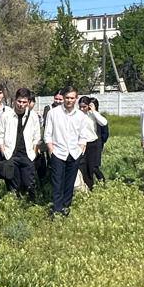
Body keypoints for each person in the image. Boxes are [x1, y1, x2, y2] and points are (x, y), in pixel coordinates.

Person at [45, 85, 97, 215]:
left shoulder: (81, 116)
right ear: (63, 98)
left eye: (72, 98)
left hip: (74, 153)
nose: (69, 100)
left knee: (69, 183)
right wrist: (51, 150)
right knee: (57, 182)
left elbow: (83, 136)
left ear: (76, 98)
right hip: (58, 152)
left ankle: (65, 207)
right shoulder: (53, 113)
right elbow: (47, 134)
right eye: (67, 98)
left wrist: (80, 149)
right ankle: (57, 209)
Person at [0, 87, 41, 200]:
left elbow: (37, 137)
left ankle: (31, 205)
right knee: (13, 185)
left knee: (29, 183)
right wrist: (4, 152)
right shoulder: (6, 115)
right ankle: (15, 206)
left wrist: (34, 152)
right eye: (19, 101)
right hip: (11, 155)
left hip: (28, 155)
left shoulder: (33, 117)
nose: (21, 104)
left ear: (28, 102)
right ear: (14, 100)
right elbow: (0, 135)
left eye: (24, 102)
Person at [78, 96, 110, 190]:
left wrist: (94, 111)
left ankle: (95, 185)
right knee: (83, 167)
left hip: (93, 144)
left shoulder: (92, 115)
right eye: (80, 106)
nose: (82, 109)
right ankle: (87, 187)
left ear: (88, 106)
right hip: (81, 144)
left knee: (92, 167)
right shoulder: (77, 115)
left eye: (84, 106)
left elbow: (104, 123)